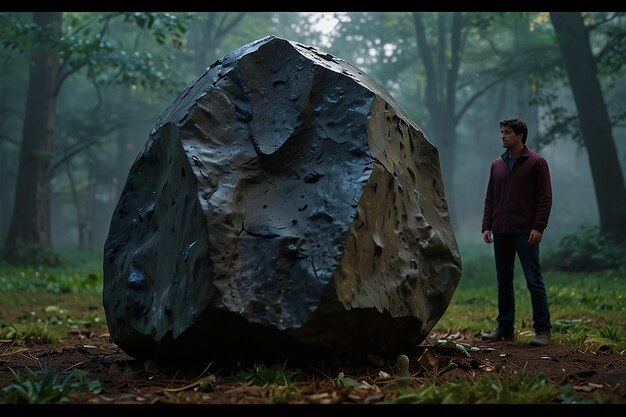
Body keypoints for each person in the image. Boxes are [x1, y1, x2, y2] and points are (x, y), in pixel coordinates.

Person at [481, 116, 553, 346]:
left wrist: (538, 227)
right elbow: (490, 197)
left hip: (525, 232)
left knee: (534, 280)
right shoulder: (497, 165)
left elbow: (545, 198)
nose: (502, 136)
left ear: (520, 135)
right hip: (501, 231)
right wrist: (486, 225)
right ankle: (505, 328)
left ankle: (543, 331)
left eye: (507, 132)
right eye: (501, 132)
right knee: (504, 281)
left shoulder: (536, 163)